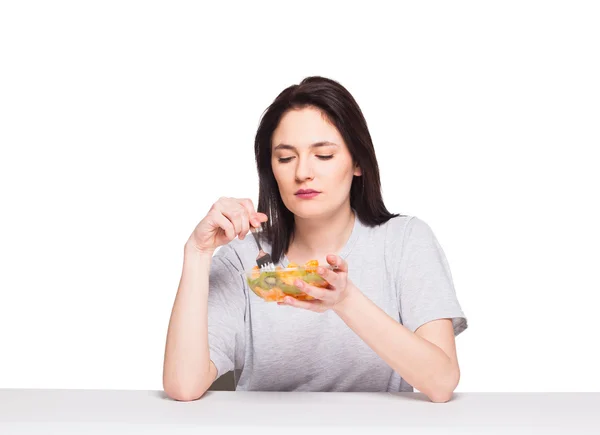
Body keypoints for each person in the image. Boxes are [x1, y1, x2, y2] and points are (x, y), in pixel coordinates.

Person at [163, 76, 468, 403]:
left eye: (323, 155)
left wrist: (345, 299)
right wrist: (197, 252)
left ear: (358, 163)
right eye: (285, 158)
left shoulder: (406, 241)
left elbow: (441, 382)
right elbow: (184, 385)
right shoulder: (243, 257)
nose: (302, 172)